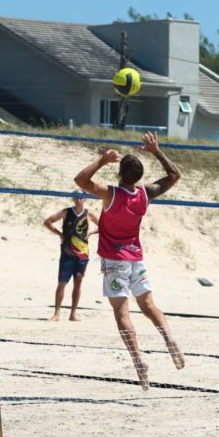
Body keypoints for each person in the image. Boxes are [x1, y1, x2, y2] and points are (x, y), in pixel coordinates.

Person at [74, 131, 185, 391]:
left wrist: (101, 161)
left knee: (121, 313)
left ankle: (138, 361)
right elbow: (174, 176)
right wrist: (157, 151)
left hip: (114, 262)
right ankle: (169, 340)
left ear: (119, 173)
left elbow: (80, 179)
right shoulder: (145, 194)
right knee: (148, 305)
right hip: (136, 259)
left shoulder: (110, 194)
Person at [43, 193, 99, 321]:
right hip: (67, 253)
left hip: (82, 253)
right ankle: (57, 313)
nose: (79, 200)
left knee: (78, 283)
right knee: (62, 283)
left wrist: (91, 232)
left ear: (85, 199)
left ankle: (73, 313)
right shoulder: (66, 212)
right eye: (77, 197)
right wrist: (59, 234)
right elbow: (47, 222)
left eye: (81, 198)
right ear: (73, 199)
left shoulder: (88, 214)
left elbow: (104, 226)